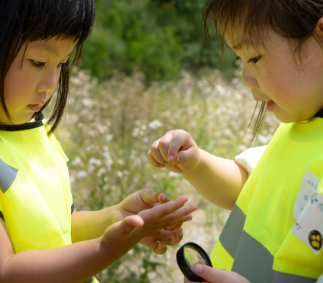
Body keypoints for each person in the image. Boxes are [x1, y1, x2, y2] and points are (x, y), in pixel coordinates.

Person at [0, 1, 198, 283]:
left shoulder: (36, 127)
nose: (50, 84)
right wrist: (104, 249)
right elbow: (6, 270)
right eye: (38, 62)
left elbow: (61, 229)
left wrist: (116, 218)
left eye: (62, 64)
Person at [147, 0, 323, 282]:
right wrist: (197, 163)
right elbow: (247, 187)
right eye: (240, 60)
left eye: (254, 58)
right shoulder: (299, 129)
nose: (245, 78)